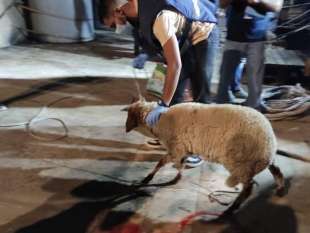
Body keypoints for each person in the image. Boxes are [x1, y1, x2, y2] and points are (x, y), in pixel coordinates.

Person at [101, 0, 218, 167]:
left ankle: (201, 148)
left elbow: (175, 64)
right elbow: (152, 36)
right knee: (175, 94)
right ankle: (171, 137)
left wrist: (162, 104)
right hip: (185, 35)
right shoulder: (136, 12)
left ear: (119, 12)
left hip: (206, 32)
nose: (116, 30)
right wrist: (146, 53)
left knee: (201, 96)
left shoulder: (159, 18)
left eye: (113, 25)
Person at [216, 0, 283, 112]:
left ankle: (253, 109)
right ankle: (222, 107)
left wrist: (258, 1)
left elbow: (277, 6)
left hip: (257, 37)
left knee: (255, 76)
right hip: (233, 35)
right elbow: (222, 4)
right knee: (225, 76)